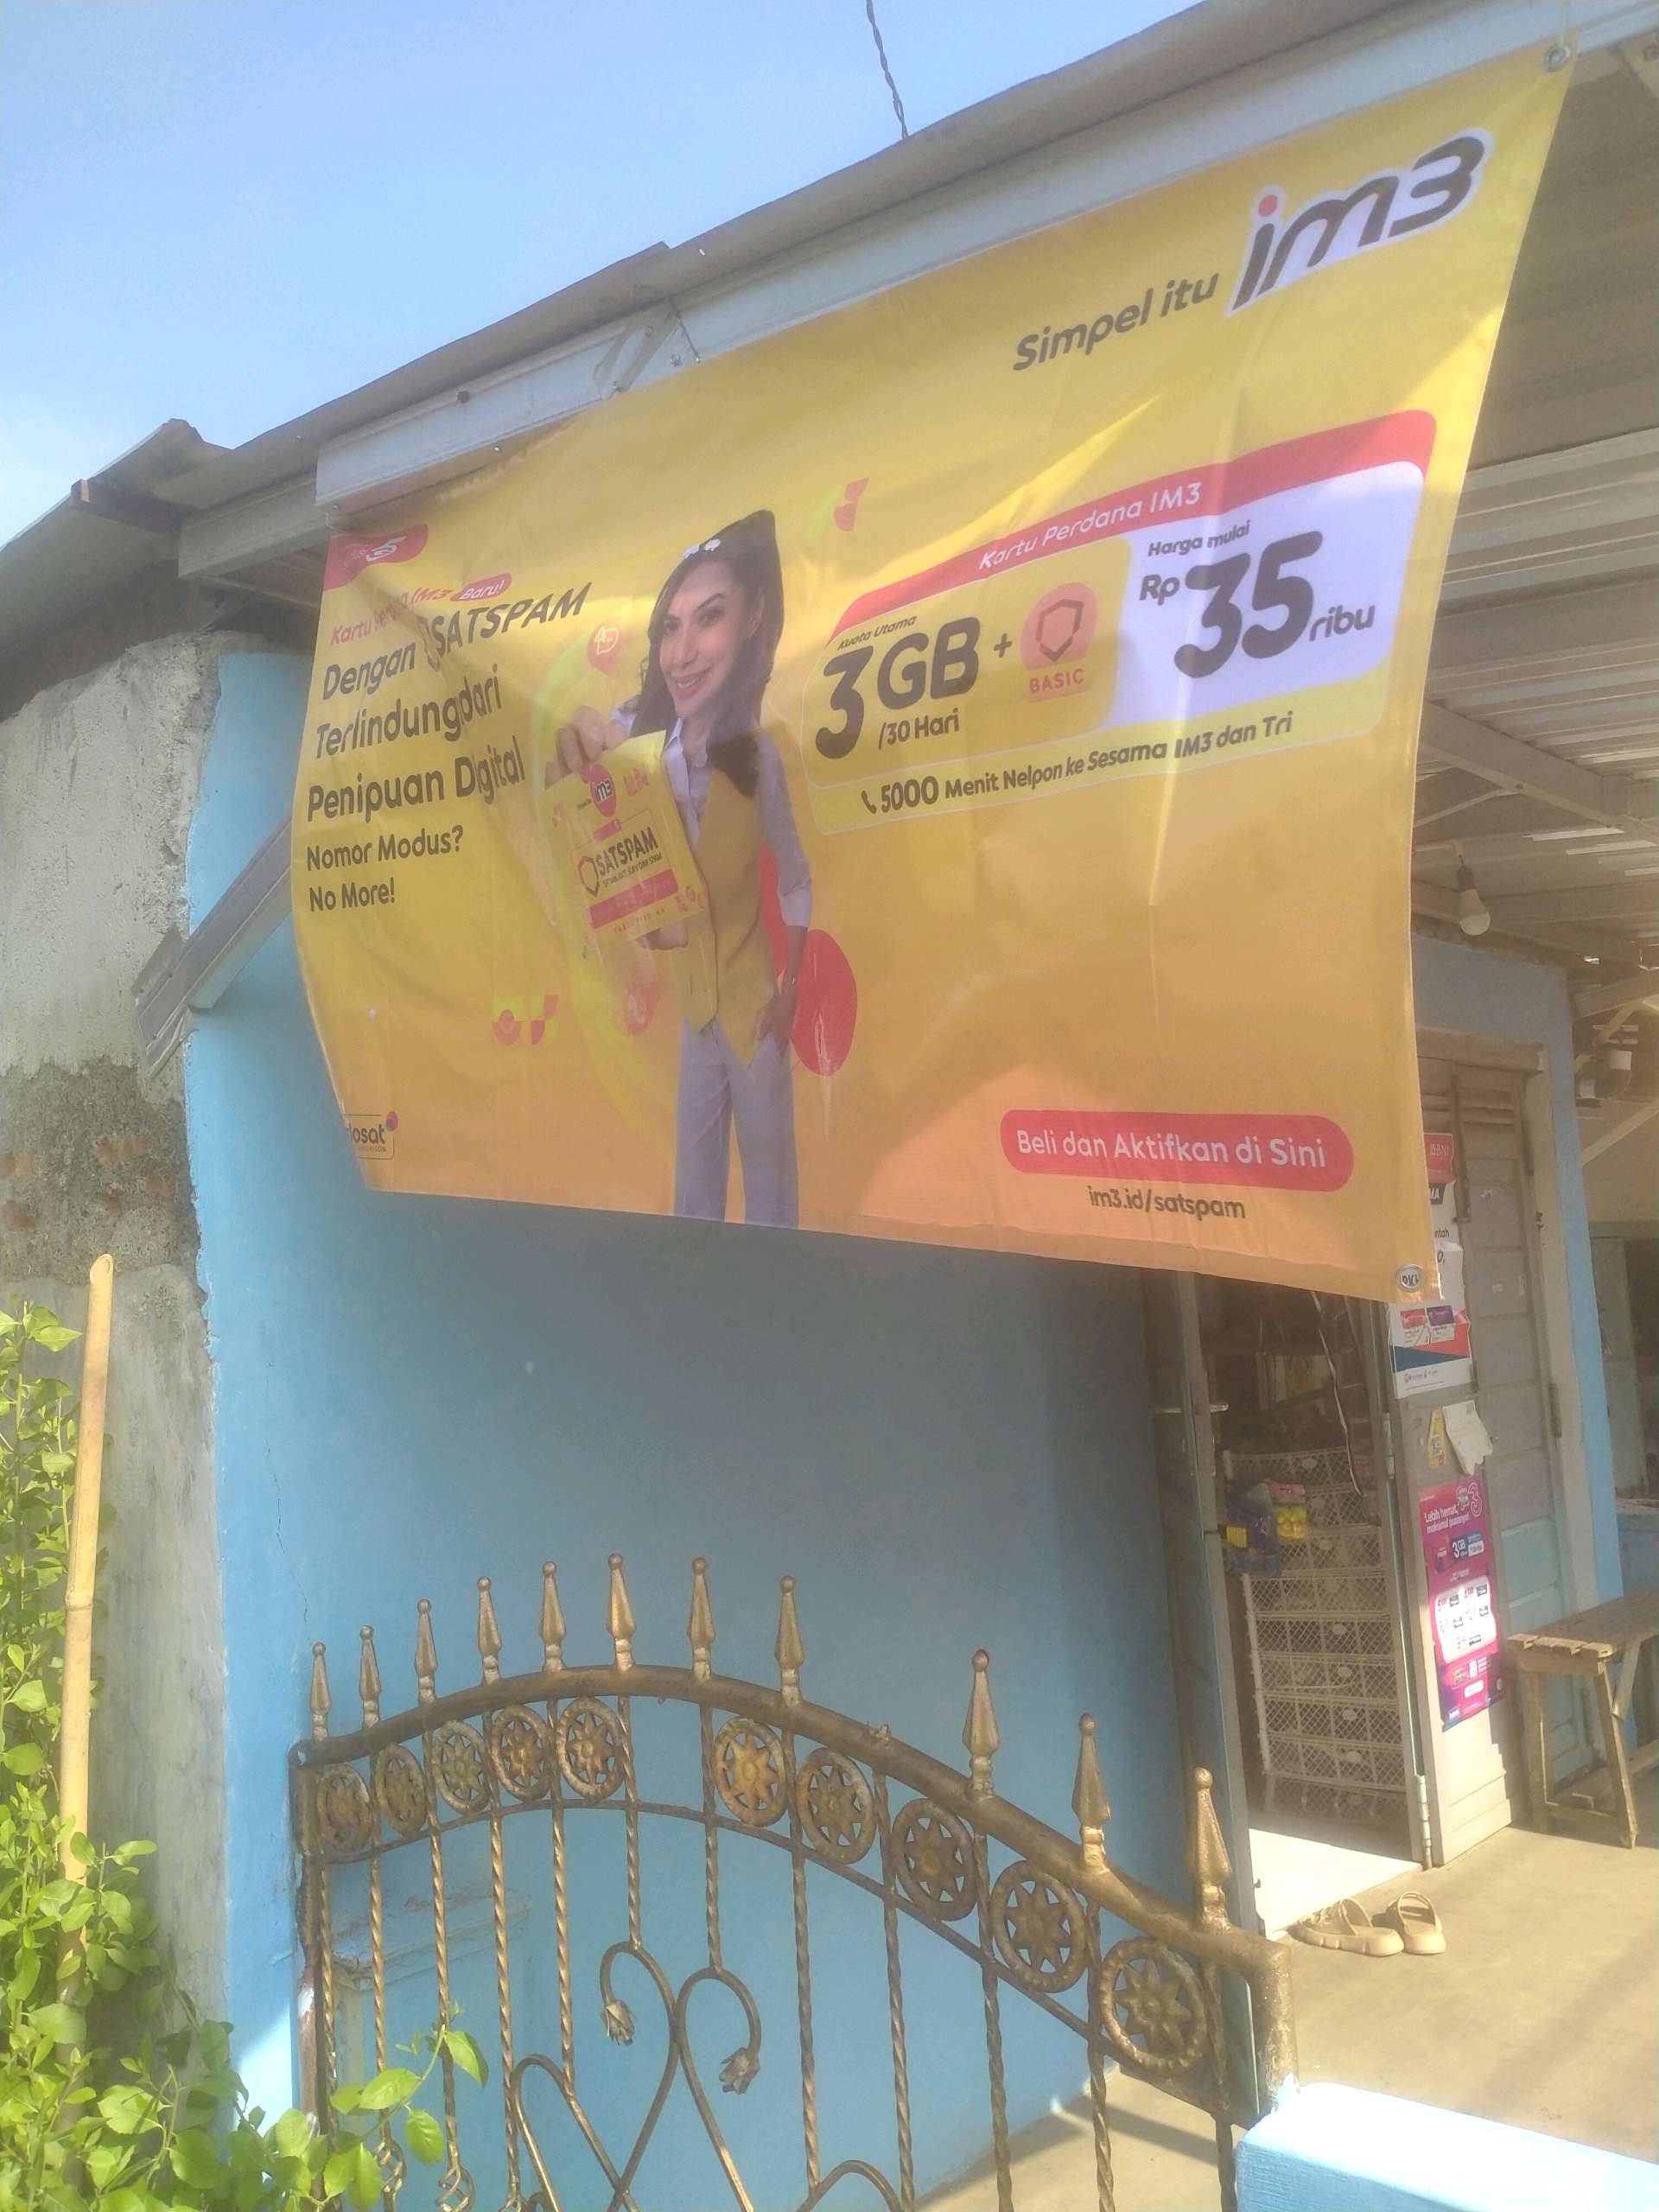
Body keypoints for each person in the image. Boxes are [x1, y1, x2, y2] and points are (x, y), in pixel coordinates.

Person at [554, 512, 810, 1226]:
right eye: (671, 627)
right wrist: (578, 766)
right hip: (696, 1015)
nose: (684, 651)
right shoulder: (644, 752)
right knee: (692, 1201)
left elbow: (796, 878)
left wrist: (791, 992)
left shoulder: (756, 760)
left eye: (710, 618)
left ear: (753, 618)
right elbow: (596, 774)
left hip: (754, 1013)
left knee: (771, 1200)